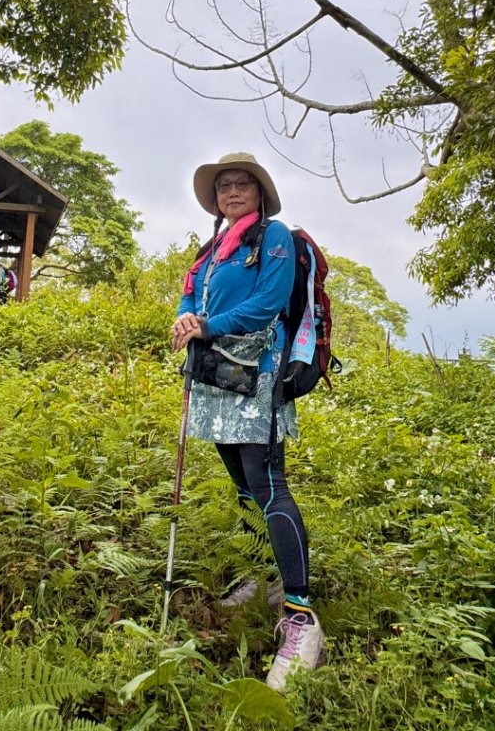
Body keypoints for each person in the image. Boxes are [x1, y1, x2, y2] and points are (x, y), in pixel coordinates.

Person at [172, 152, 325, 691]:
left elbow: (268, 303)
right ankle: (264, 580)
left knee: (268, 485)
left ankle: (302, 617)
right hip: (216, 378)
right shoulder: (213, 251)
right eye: (223, 186)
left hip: (259, 374)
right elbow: (190, 296)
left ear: (260, 193)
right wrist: (187, 318)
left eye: (242, 184)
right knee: (241, 485)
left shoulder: (274, 237)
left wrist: (207, 325)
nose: (231, 192)